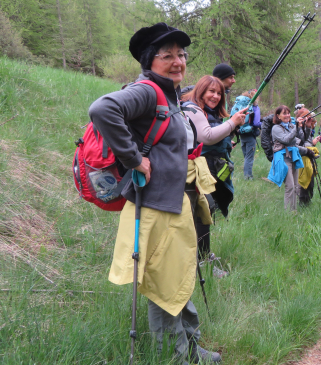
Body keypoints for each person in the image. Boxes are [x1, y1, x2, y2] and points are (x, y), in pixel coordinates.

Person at [89, 23, 229, 364]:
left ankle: (192, 348)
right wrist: (134, 159)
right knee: (164, 288)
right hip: (156, 207)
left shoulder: (171, 95)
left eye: (181, 55)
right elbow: (102, 109)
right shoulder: (149, 91)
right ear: (149, 61)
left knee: (178, 278)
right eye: (167, 55)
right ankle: (176, 356)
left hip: (175, 203)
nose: (177, 61)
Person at [181, 76, 247, 262]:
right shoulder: (191, 109)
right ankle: (201, 260)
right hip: (191, 170)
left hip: (202, 169)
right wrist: (232, 122)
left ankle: (201, 258)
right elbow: (207, 137)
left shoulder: (206, 111)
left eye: (219, 93)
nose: (216, 96)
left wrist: (230, 132)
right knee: (203, 211)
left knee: (205, 211)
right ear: (200, 91)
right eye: (211, 91)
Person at [268, 105, 306, 211]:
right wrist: (296, 128)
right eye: (284, 113)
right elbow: (287, 140)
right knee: (290, 186)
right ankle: (288, 213)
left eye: (288, 113)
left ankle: (293, 211)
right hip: (282, 158)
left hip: (293, 157)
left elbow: (301, 139)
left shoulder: (291, 126)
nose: (287, 115)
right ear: (278, 116)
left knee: (296, 186)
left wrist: (304, 126)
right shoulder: (275, 128)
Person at [294, 108, 320, 205]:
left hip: (307, 156)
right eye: (307, 118)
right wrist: (300, 126)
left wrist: (308, 127)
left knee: (310, 180)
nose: (310, 121)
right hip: (302, 156)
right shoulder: (295, 127)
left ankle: (307, 201)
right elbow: (301, 141)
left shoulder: (304, 128)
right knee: (304, 180)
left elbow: (305, 138)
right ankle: (302, 201)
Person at [237, 90, 262, 180]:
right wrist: (263, 125)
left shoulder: (243, 106)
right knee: (249, 157)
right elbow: (256, 123)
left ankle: (246, 174)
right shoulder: (255, 107)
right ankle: (248, 177)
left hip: (242, 133)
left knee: (246, 156)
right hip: (250, 134)